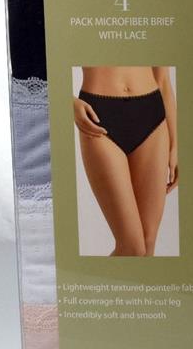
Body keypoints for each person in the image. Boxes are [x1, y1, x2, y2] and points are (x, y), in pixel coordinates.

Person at [73, 66, 178, 256]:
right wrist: (68, 101)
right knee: (132, 248)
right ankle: (81, 277)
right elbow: (52, 63)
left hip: (152, 113)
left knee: (148, 243)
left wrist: (176, 145)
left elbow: (163, 79)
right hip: (97, 114)